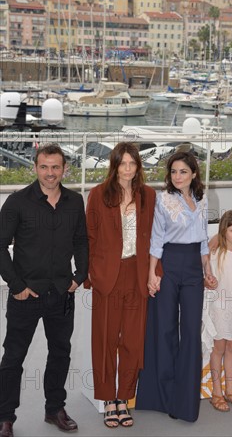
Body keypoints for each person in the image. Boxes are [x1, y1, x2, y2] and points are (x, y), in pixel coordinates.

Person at [0, 144, 89, 437]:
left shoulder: (75, 202)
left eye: (55, 167)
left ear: (64, 169)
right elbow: (1, 247)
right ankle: (5, 417)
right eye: (44, 167)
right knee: (13, 358)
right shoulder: (17, 202)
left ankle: (55, 410)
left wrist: (79, 275)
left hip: (62, 294)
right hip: (26, 296)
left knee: (60, 354)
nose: (50, 173)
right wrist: (17, 286)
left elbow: (81, 241)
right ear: (35, 168)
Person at [135, 151, 217, 422]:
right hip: (168, 265)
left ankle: (185, 402)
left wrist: (208, 269)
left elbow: (204, 239)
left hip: (194, 268)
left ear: (194, 173)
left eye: (183, 171)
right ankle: (162, 397)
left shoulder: (202, 200)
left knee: (191, 333)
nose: (178, 176)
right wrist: (151, 274)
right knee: (166, 330)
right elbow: (156, 240)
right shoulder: (163, 200)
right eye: (173, 172)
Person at [85, 142, 160, 428]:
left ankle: (124, 398)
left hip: (137, 273)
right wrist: (92, 274)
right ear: (114, 165)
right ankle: (107, 399)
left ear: (138, 166)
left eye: (132, 163)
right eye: (122, 163)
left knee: (132, 341)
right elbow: (89, 237)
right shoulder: (98, 195)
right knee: (105, 340)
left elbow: (157, 237)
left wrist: (156, 272)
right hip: (108, 276)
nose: (127, 169)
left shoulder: (148, 195)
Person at [202, 210, 232, 412]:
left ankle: (231, 390)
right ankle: (216, 392)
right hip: (219, 308)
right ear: (224, 231)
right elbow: (208, 278)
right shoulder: (215, 253)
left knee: (231, 348)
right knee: (218, 349)